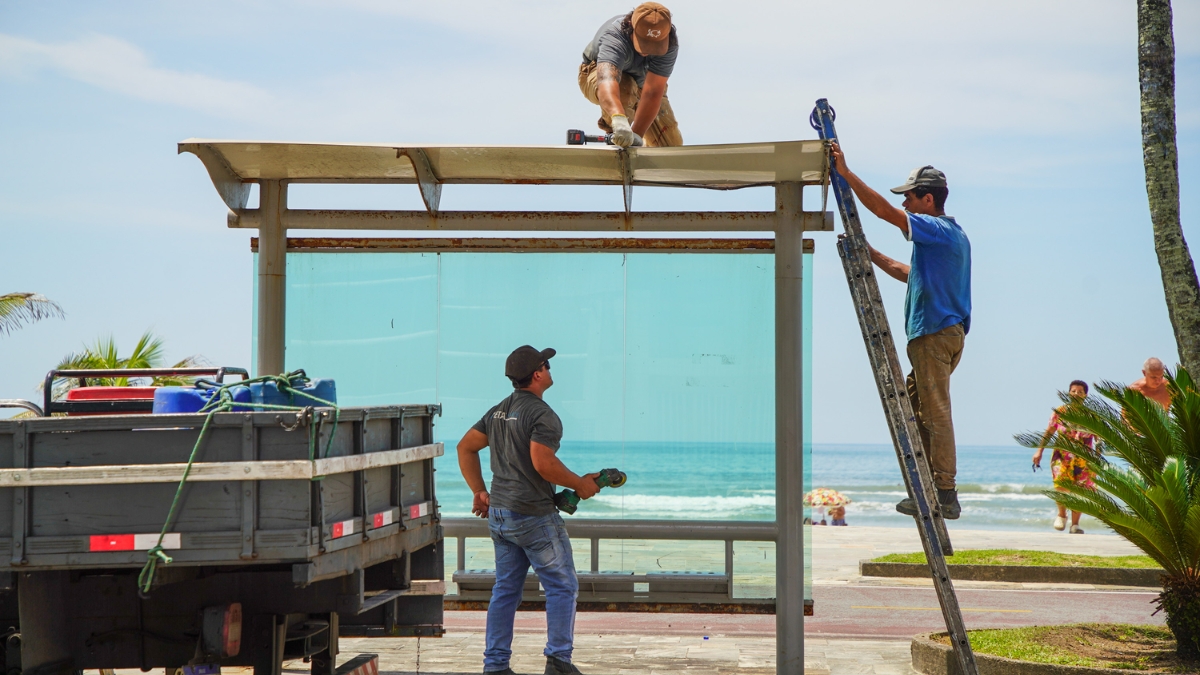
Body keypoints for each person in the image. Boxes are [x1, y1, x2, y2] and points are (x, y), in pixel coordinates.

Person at [829, 143, 971, 520]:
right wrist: (871, 255)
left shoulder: (936, 228)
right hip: (941, 335)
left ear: (928, 199)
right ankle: (928, 485)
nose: (905, 205)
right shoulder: (950, 238)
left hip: (934, 335)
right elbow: (909, 275)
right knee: (915, 408)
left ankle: (945, 492)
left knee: (936, 412)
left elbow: (884, 212)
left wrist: (846, 173)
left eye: (909, 198)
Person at [456, 345, 601, 675]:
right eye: (546, 365)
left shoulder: (497, 412)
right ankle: (558, 662)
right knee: (562, 587)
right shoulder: (542, 415)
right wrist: (579, 483)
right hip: (533, 516)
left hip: (501, 516)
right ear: (537, 374)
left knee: (506, 591)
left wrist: (479, 490)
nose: (550, 369)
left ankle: (495, 666)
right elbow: (542, 462)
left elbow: (465, 447)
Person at [578, 3, 682, 148]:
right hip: (596, 74)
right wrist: (619, 119)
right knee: (625, 87)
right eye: (644, 44)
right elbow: (607, 81)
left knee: (670, 146)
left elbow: (653, 92)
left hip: (643, 83)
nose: (647, 51)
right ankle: (615, 134)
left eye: (655, 46)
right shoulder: (615, 37)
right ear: (630, 27)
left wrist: (637, 136)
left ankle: (645, 158)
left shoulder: (670, 42)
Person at [1032, 380, 1097, 534]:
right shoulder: (1060, 412)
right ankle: (1061, 514)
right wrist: (1039, 451)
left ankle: (1075, 525)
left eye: (1080, 392)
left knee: (1080, 491)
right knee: (1060, 484)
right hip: (1062, 456)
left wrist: (1099, 456)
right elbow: (1049, 432)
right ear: (1069, 393)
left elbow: (1099, 437)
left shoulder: (1092, 416)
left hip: (1084, 459)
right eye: (1073, 391)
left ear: (1085, 395)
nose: (1076, 394)